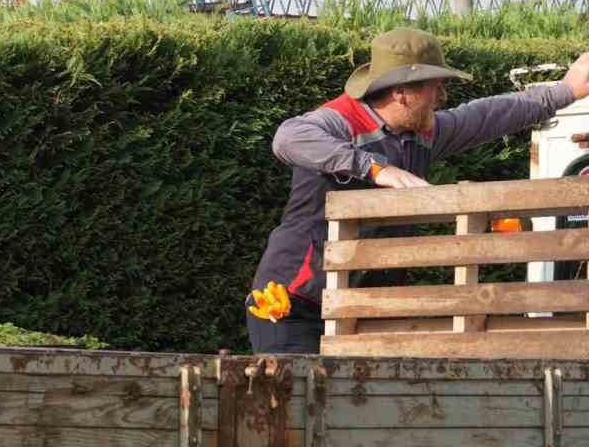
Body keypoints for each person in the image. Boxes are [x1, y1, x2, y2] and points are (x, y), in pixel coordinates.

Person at [246, 27, 589, 353]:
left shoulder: (422, 132)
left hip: (364, 309)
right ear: (402, 92)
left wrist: (566, 90)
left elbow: (489, 114)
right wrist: (377, 169)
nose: (443, 97)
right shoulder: (339, 121)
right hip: (291, 305)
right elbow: (287, 137)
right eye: (436, 87)